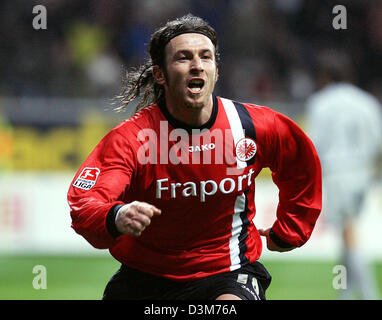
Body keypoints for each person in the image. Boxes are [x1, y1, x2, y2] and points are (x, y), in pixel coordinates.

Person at [67, 14, 322, 300]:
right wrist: (115, 215)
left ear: (216, 70)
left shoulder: (253, 126)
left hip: (228, 272)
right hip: (146, 276)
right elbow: (85, 202)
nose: (197, 65)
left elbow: (300, 164)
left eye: (206, 57)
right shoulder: (131, 139)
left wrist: (291, 230)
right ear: (160, 74)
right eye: (184, 58)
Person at [306, 49, 382, 300]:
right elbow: (378, 143)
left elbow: (314, 145)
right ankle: (346, 295)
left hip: (338, 173)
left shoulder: (320, 102)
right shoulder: (366, 101)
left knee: (349, 236)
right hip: (364, 173)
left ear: (325, 75)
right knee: (348, 235)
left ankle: (370, 295)